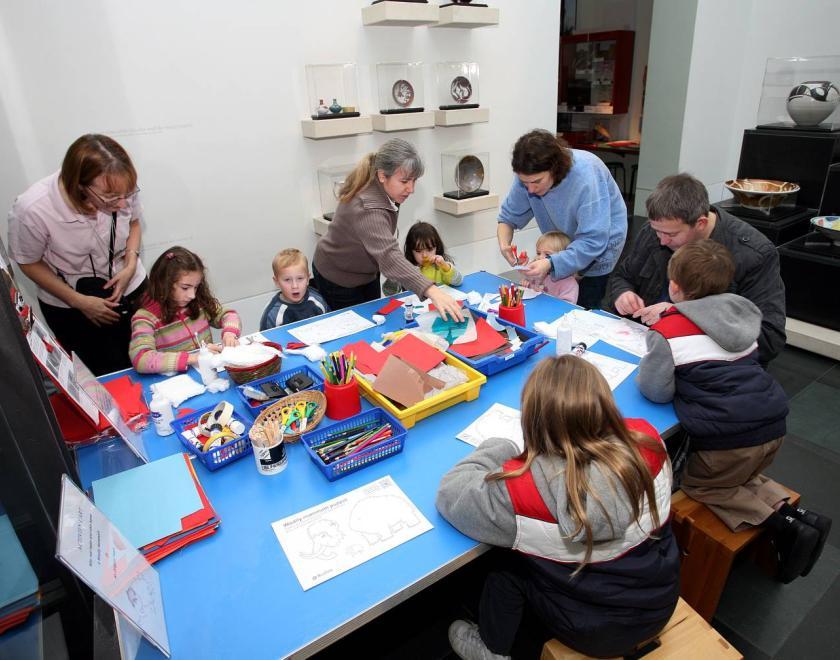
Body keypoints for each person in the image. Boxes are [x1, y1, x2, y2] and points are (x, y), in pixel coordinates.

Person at [437, 356, 679, 660]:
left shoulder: (521, 496)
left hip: (593, 631)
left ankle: (491, 649)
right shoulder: (649, 440)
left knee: (505, 567)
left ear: (533, 421)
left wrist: (503, 447)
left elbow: (450, 494)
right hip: (659, 599)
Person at [637, 240, 831, 583]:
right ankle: (801, 515)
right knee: (745, 476)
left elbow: (655, 390)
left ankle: (785, 528)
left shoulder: (667, 331)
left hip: (730, 439)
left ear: (674, 287)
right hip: (773, 424)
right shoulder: (742, 315)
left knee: (704, 487)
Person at [608, 173, 786, 365]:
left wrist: (685, 315)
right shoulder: (658, 229)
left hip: (707, 368)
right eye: (657, 231)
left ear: (700, 223)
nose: (662, 240)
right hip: (643, 347)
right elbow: (622, 276)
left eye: (671, 234)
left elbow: (769, 338)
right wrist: (623, 294)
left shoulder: (754, 254)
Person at [8, 134, 148, 375]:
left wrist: (130, 265)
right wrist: (78, 301)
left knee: (152, 363)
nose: (123, 204)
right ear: (79, 185)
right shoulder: (32, 209)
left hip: (129, 287)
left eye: (127, 195)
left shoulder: (120, 188)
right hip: (72, 307)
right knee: (106, 377)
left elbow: (134, 223)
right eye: (112, 198)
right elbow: (29, 262)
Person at [312, 138, 463, 322]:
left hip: (365, 271)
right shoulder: (368, 208)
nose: (411, 188)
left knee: (375, 321)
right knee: (359, 329)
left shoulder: (384, 187)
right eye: (405, 181)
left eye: (414, 180)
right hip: (338, 276)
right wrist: (431, 291)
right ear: (383, 175)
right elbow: (388, 254)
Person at [497, 130, 627, 310]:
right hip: (561, 246)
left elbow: (593, 240)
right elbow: (508, 216)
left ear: (555, 169)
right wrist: (504, 243)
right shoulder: (529, 176)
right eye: (525, 183)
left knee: (585, 306)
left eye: (536, 182)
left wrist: (551, 263)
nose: (530, 190)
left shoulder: (586, 176)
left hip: (598, 246)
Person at [129, 247, 241, 374]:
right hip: (177, 384)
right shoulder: (145, 318)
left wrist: (229, 333)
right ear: (164, 283)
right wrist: (192, 358)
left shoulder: (199, 303)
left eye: (196, 287)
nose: (192, 295)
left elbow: (229, 314)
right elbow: (141, 359)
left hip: (208, 375)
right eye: (185, 288)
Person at [260, 248, 329, 330]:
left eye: (300, 278)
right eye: (287, 280)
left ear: (307, 279)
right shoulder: (272, 314)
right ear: (277, 282)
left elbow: (329, 326)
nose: (295, 286)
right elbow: (265, 341)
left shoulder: (317, 301)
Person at [521, 230, 578, 303]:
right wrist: (526, 284)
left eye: (547, 255)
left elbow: (567, 307)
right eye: (538, 253)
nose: (539, 258)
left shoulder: (570, 283)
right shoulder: (537, 275)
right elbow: (531, 292)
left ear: (562, 258)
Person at [404, 221, 463, 287]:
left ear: (437, 248)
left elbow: (459, 282)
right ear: (411, 251)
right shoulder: (408, 269)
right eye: (418, 251)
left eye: (429, 250)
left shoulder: (442, 265)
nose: (424, 255)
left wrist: (445, 267)